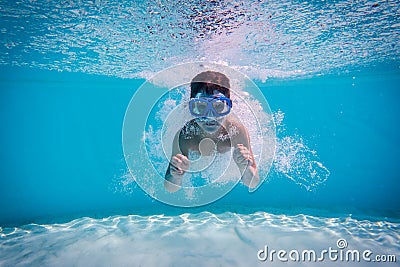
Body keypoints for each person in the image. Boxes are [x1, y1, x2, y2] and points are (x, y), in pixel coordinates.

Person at [164, 71, 259, 192]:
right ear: (192, 108)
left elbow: (252, 183)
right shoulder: (186, 135)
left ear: (229, 107)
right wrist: (176, 175)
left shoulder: (236, 131)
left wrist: (245, 168)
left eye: (218, 106)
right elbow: (170, 188)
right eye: (201, 107)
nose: (210, 116)